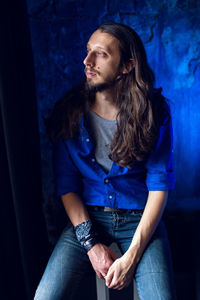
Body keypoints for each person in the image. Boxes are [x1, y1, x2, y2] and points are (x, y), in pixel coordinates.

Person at [34, 22, 176, 300]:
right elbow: (67, 187)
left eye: (101, 54)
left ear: (126, 65)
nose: (87, 61)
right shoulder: (69, 113)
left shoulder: (155, 113)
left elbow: (159, 186)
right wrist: (90, 244)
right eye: (88, 52)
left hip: (140, 218)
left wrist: (132, 257)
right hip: (88, 219)